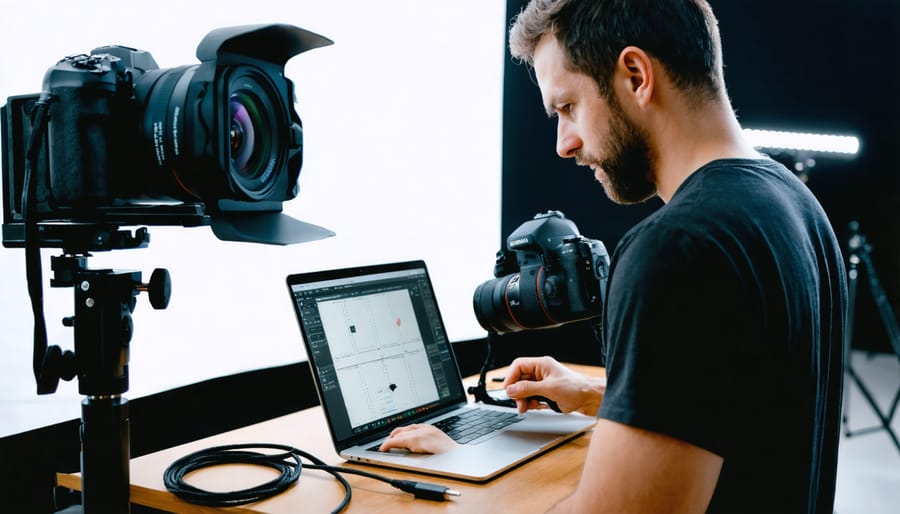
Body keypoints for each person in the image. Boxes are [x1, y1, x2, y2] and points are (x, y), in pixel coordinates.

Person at [380, 1, 848, 512]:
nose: (564, 143)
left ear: (635, 75)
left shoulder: (679, 249)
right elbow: (747, 417)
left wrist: (461, 468)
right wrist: (606, 399)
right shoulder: (794, 203)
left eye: (568, 108)